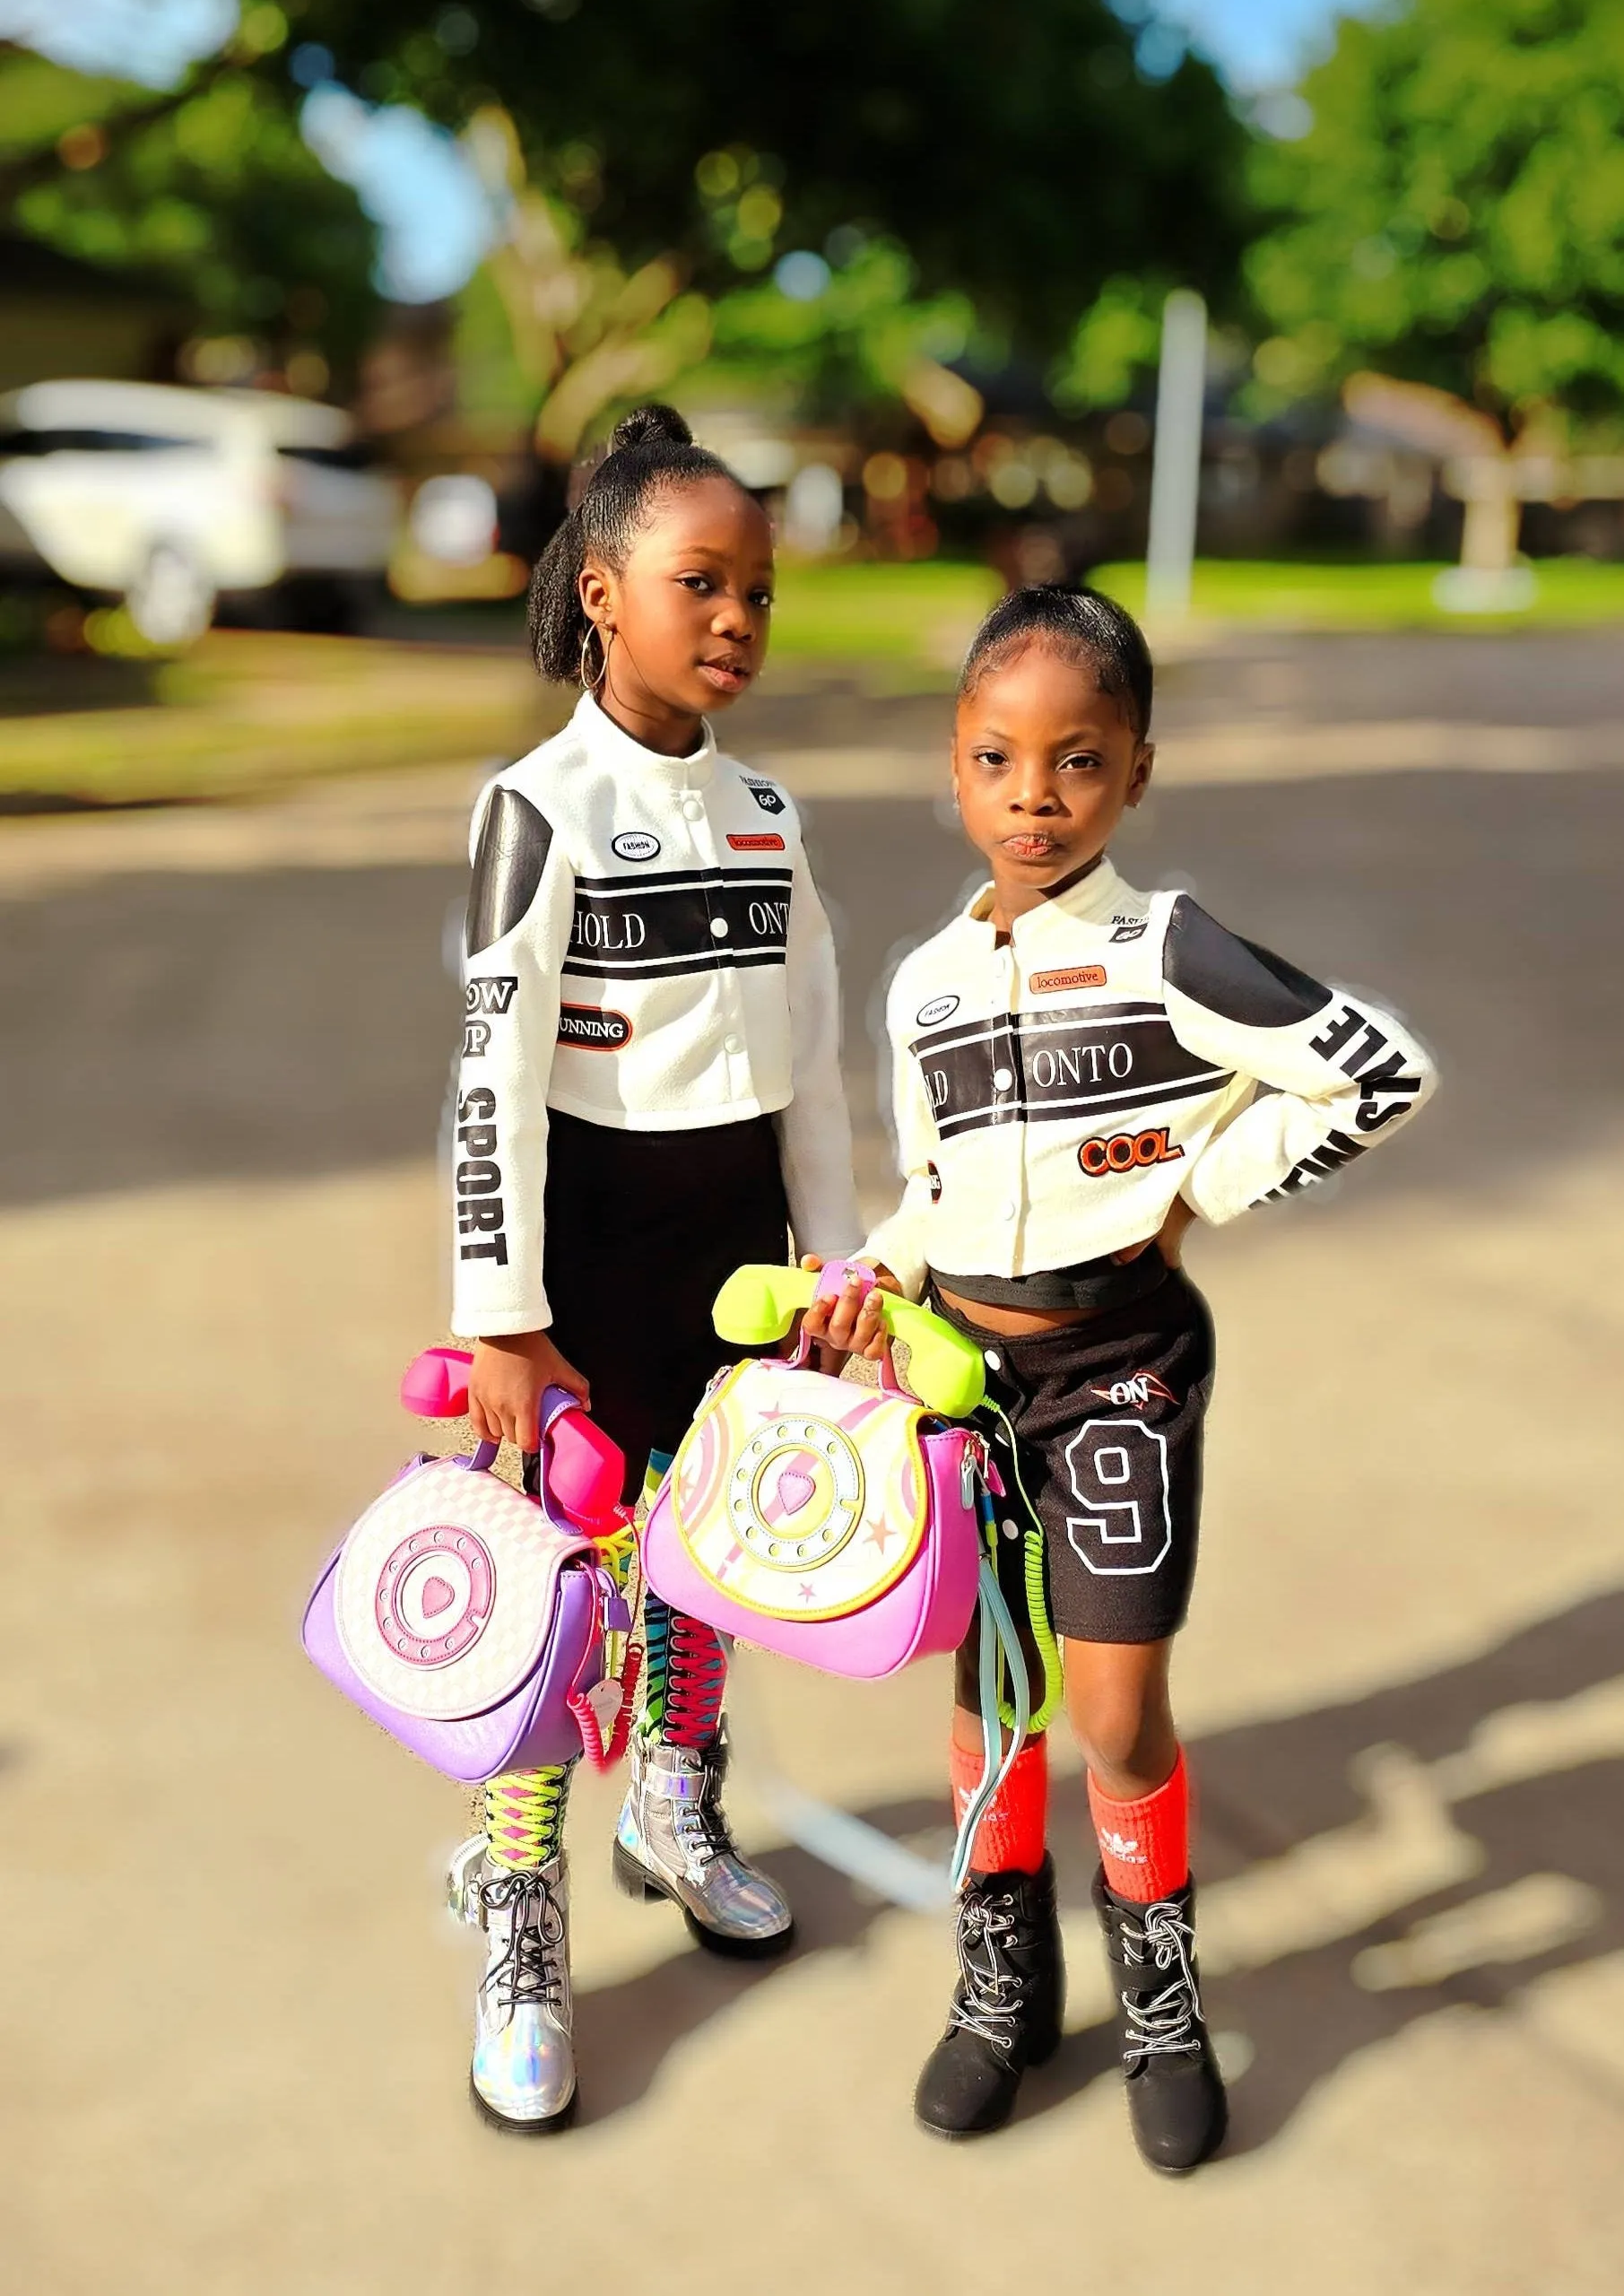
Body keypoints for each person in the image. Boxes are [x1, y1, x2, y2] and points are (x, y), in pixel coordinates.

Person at [806, 583, 1435, 2168]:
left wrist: (1208, 1185)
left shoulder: (1171, 948)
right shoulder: (925, 984)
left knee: (1111, 1706)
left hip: (1119, 1374)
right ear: (953, 768)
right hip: (965, 1389)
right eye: (998, 759)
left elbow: (1379, 1070)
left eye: (1077, 761)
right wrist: (874, 1273)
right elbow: (934, 1184)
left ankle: (1158, 2001)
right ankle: (998, 1991)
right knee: (988, 1683)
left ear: (1135, 772)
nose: (1035, 796)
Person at [448, 404, 861, 2130]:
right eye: (703, 583)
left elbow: (813, 1065)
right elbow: (487, 1077)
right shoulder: (535, 808)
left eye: (758, 590)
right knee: (558, 1595)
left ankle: (671, 1803)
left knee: (709, 1559)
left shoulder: (766, 811)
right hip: (576, 1272)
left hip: (736, 1271)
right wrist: (502, 1319)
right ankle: (520, 1909)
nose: (738, 620)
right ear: (602, 592)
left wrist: (838, 1270)